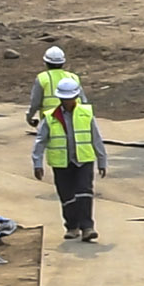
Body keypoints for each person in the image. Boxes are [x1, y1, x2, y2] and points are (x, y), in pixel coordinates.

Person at [44, 72, 104, 243]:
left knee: (84, 192)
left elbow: (96, 137)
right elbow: (41, 140)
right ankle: (72, 226)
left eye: (70, 98)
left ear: (76, 96)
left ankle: (87, 227)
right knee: (67, 195)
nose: (68, 102)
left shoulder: (85, 113)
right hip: (61, 161)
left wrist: (102, 159)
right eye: (65, 99)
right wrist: (36, 162)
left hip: (83, 159)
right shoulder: (51, 117)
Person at [29, 44, 71, 186]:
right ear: (63, 62)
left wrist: (29, 117)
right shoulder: (72, 77)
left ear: (46, 63)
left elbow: (35, 102)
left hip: (50, 121)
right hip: (72, 119)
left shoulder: (42, 78)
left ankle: (62, 179)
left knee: (51, 147)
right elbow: (82, 100)